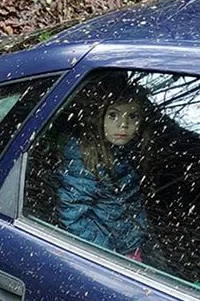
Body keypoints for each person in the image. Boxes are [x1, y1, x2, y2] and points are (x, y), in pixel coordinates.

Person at [57, 79, 152, 259]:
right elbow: (73, 214)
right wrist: (108, 255)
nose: (123, 124)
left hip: (129, 244)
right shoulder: (84, 158)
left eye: (133, 116)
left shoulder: (127, 152)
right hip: (106, 253)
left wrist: (140, 234)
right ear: (98, 118)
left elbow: (132, 202)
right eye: (113, 115)